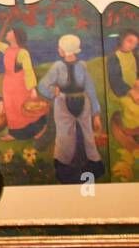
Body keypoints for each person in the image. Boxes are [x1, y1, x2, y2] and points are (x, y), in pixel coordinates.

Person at [38, 33, 105, 184]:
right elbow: (42, 85)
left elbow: (90, 89)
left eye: (60, 47)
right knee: (64, 136)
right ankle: (65, 169)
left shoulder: (82, 66)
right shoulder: (57, 67)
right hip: (62, 103)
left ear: (65, 50)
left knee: (87, 135)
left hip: (83, 103)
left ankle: (92, 167)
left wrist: (96, 114)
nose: (59, 49)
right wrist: (52, 92)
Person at [105, 28, 139, 150]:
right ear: (121, 40)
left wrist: (137, 86)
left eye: (135, 43)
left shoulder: (134, 55)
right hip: (120, 91)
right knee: (133, 107)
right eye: (129, 41)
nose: (132, 46)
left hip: (133, 88)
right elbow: (116, 81)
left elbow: (137, 74)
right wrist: (132, 93)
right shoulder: (114, 58)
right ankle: (130, 132)